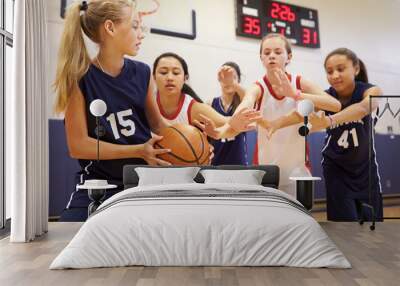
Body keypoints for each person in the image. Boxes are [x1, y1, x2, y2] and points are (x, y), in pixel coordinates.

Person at [54, 0, 171, 221]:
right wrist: (137, 150)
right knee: (69, 236)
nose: (141, 33)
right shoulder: (80, 77)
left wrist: (197, 140)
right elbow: (78, 146)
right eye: (135, 25)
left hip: (143, 182)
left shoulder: (143, 73)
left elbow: (159, 126)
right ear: (110, 28)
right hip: (99, 184)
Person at [197, 33, 341, 197]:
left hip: (298, 172)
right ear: (261, 58)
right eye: (267, 53)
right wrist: (220, 130)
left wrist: (296, 94)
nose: (272, 56)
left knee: (299, 220)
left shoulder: (299, 82)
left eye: (278, 52)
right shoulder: (258, 87)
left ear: (289, 57)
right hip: (265, 173)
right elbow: (245, 104)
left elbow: (335, 105)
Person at [309, 48, 383, 221]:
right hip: (336, 169)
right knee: (344, 227)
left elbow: (363, 108)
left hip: (366, 170)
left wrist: (329, 121)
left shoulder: (371, 91)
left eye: (340, 69)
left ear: (356, 69)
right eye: (329, 71)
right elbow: (303, 116)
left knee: (374, 228)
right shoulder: (326, 97)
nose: (334, 75)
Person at [152, 52, 261, 154]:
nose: (169, 78)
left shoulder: (194, 107)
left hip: (233, 162)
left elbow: (235, 119)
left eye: (176, 73)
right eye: (163, 72)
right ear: (153, 77)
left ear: (185, 78)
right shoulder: (145, 103)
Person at [209, 62, 250, 165]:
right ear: (219, 80)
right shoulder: (210, 103)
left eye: (232, 77)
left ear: (238, 81)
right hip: (215, 163)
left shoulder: (243, 102)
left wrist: (234, 84)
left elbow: (249, 96)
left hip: (238, 164)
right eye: (224, 78)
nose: (228, 81)